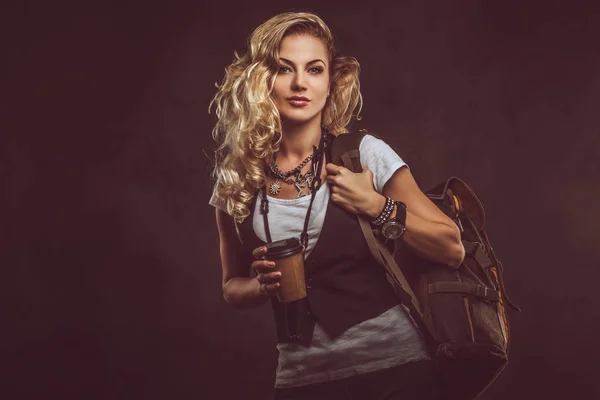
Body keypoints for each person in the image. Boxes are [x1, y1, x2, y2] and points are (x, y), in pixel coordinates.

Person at [209, 12, 465, 400]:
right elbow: (231, 286)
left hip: (397, 371)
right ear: (261, 81)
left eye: (314, 69)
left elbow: (451, 246)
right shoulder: (237, 179)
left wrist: (376, 206)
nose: (300, 83)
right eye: (284, 69)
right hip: (302, 381)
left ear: (332, 81)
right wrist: (260, 287)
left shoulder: (364, 155)